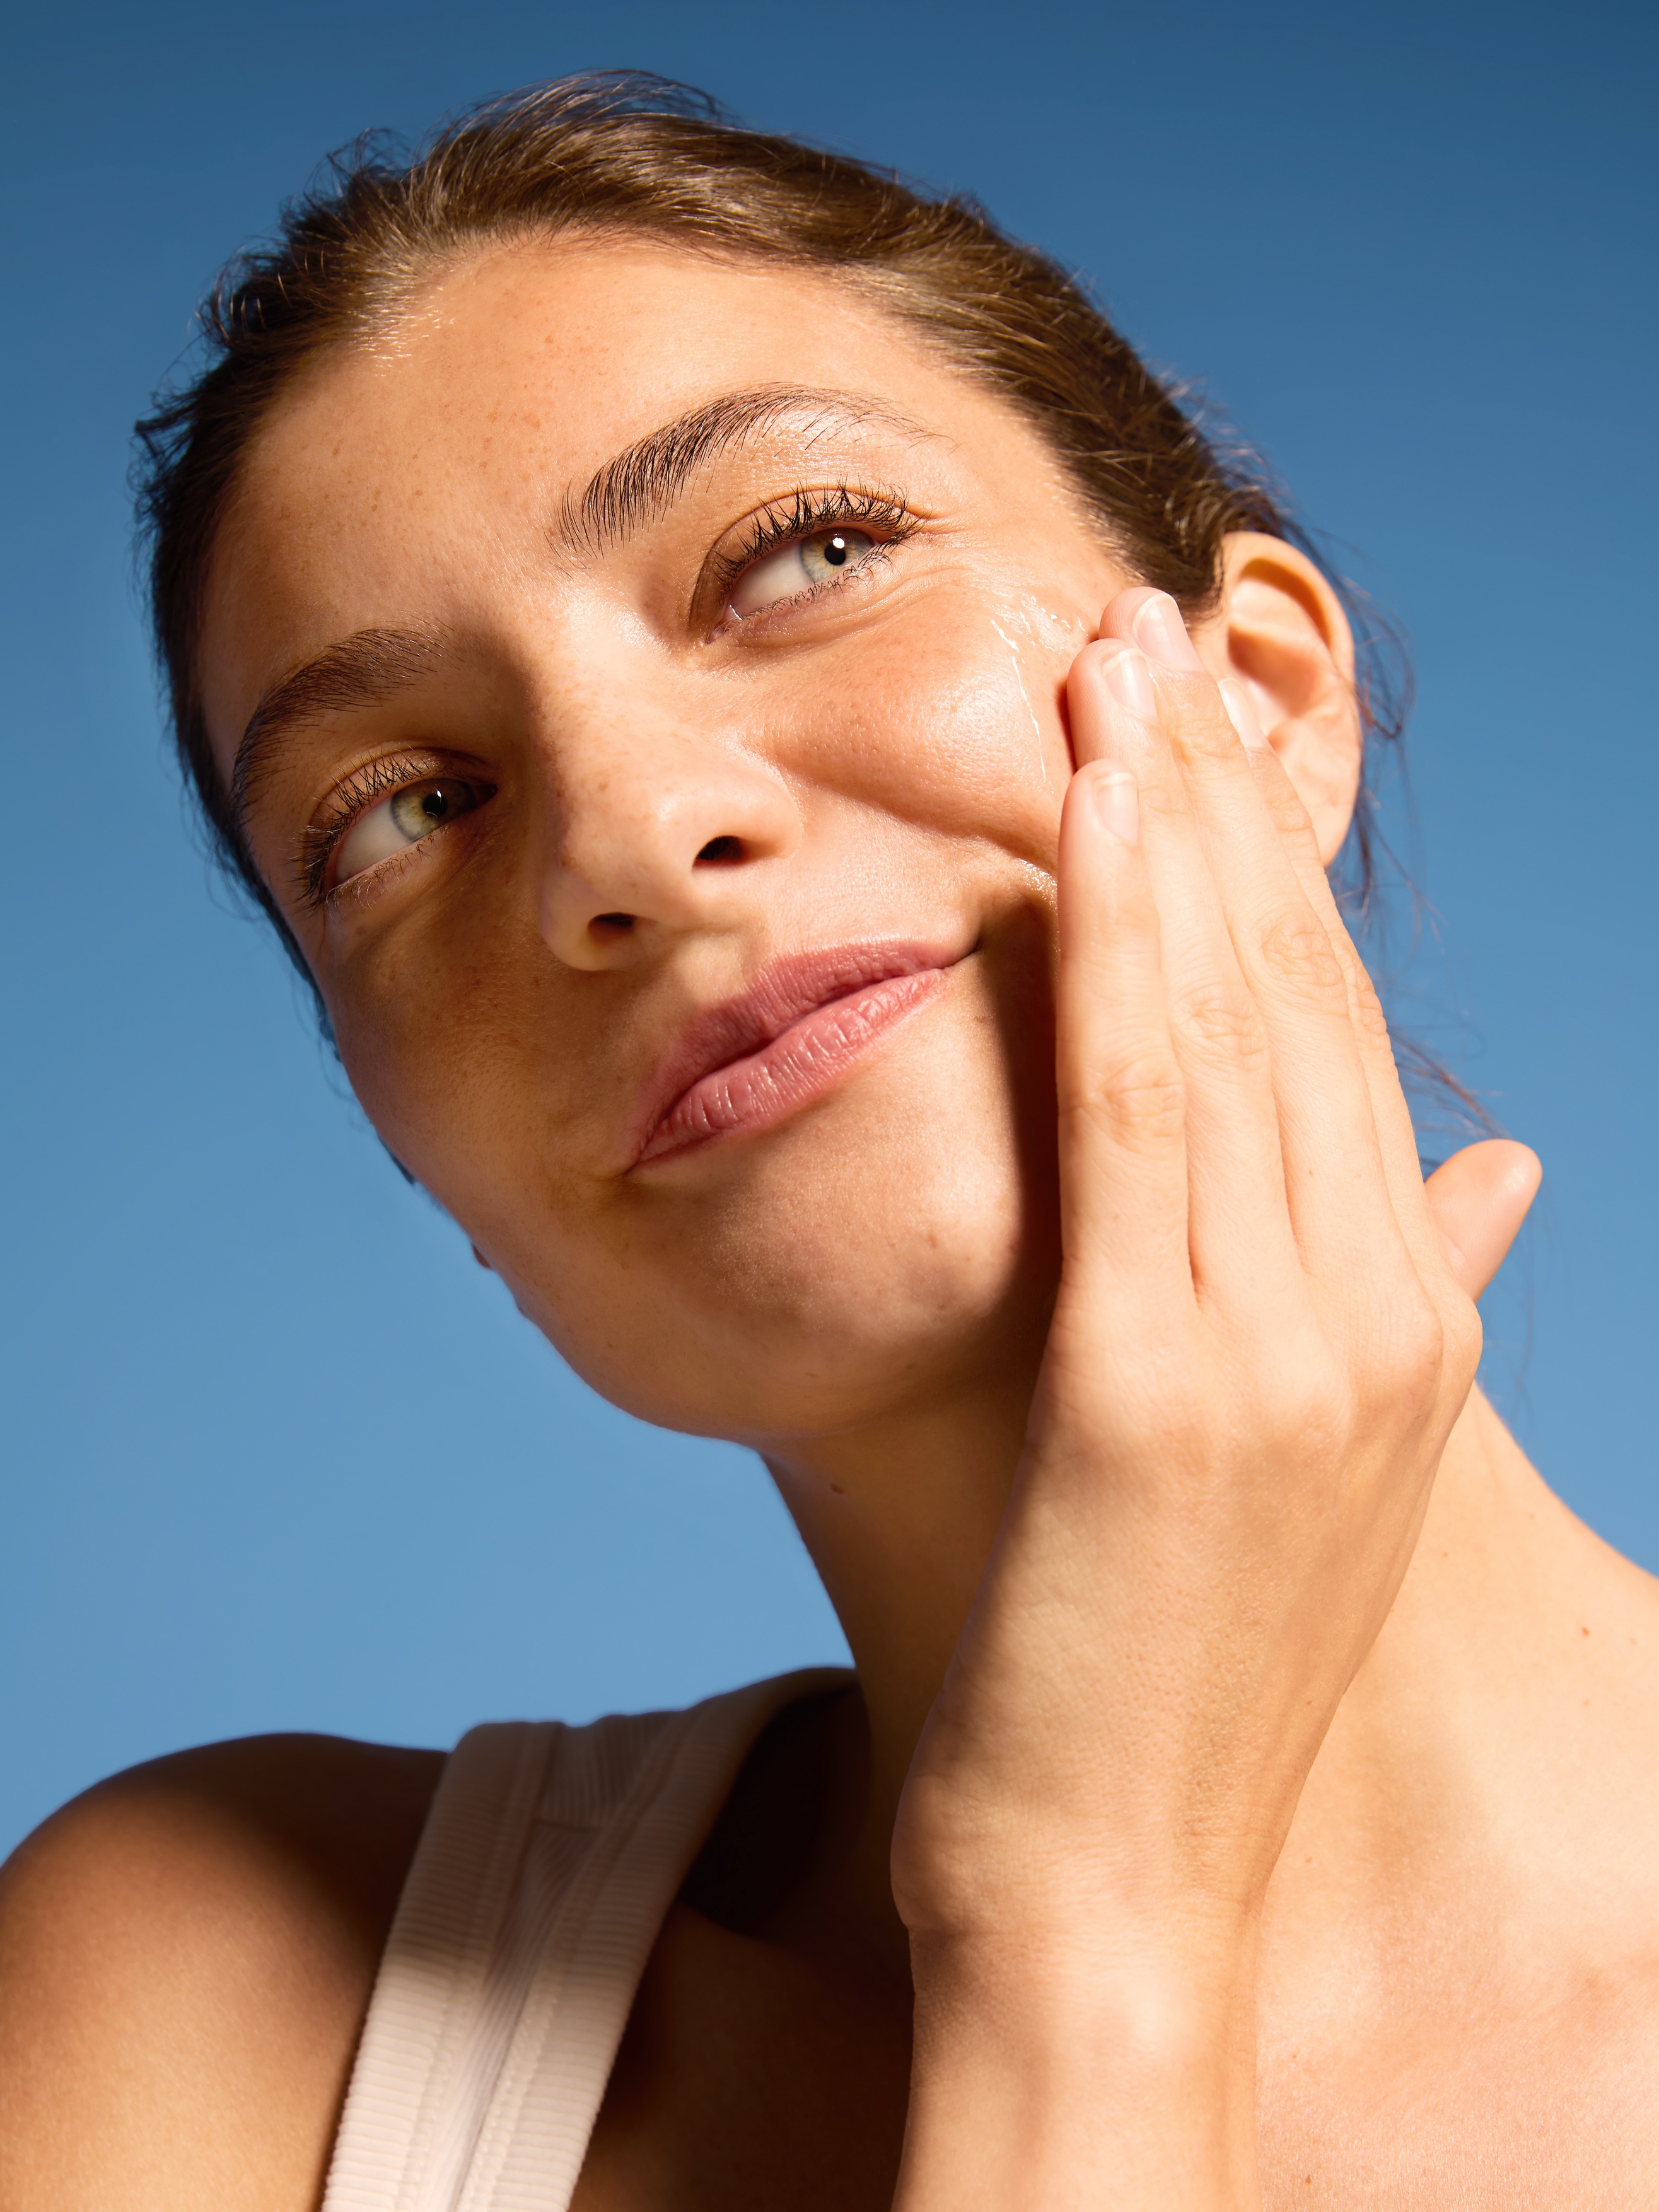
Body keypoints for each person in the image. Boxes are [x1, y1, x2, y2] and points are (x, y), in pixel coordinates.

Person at [3, 71, 1655, 2212]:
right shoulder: (213, 2013)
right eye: (404, 807)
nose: (621, 841)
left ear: (1256, 694)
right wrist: (1086, 1920)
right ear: (400, 1123)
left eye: (805, 552)